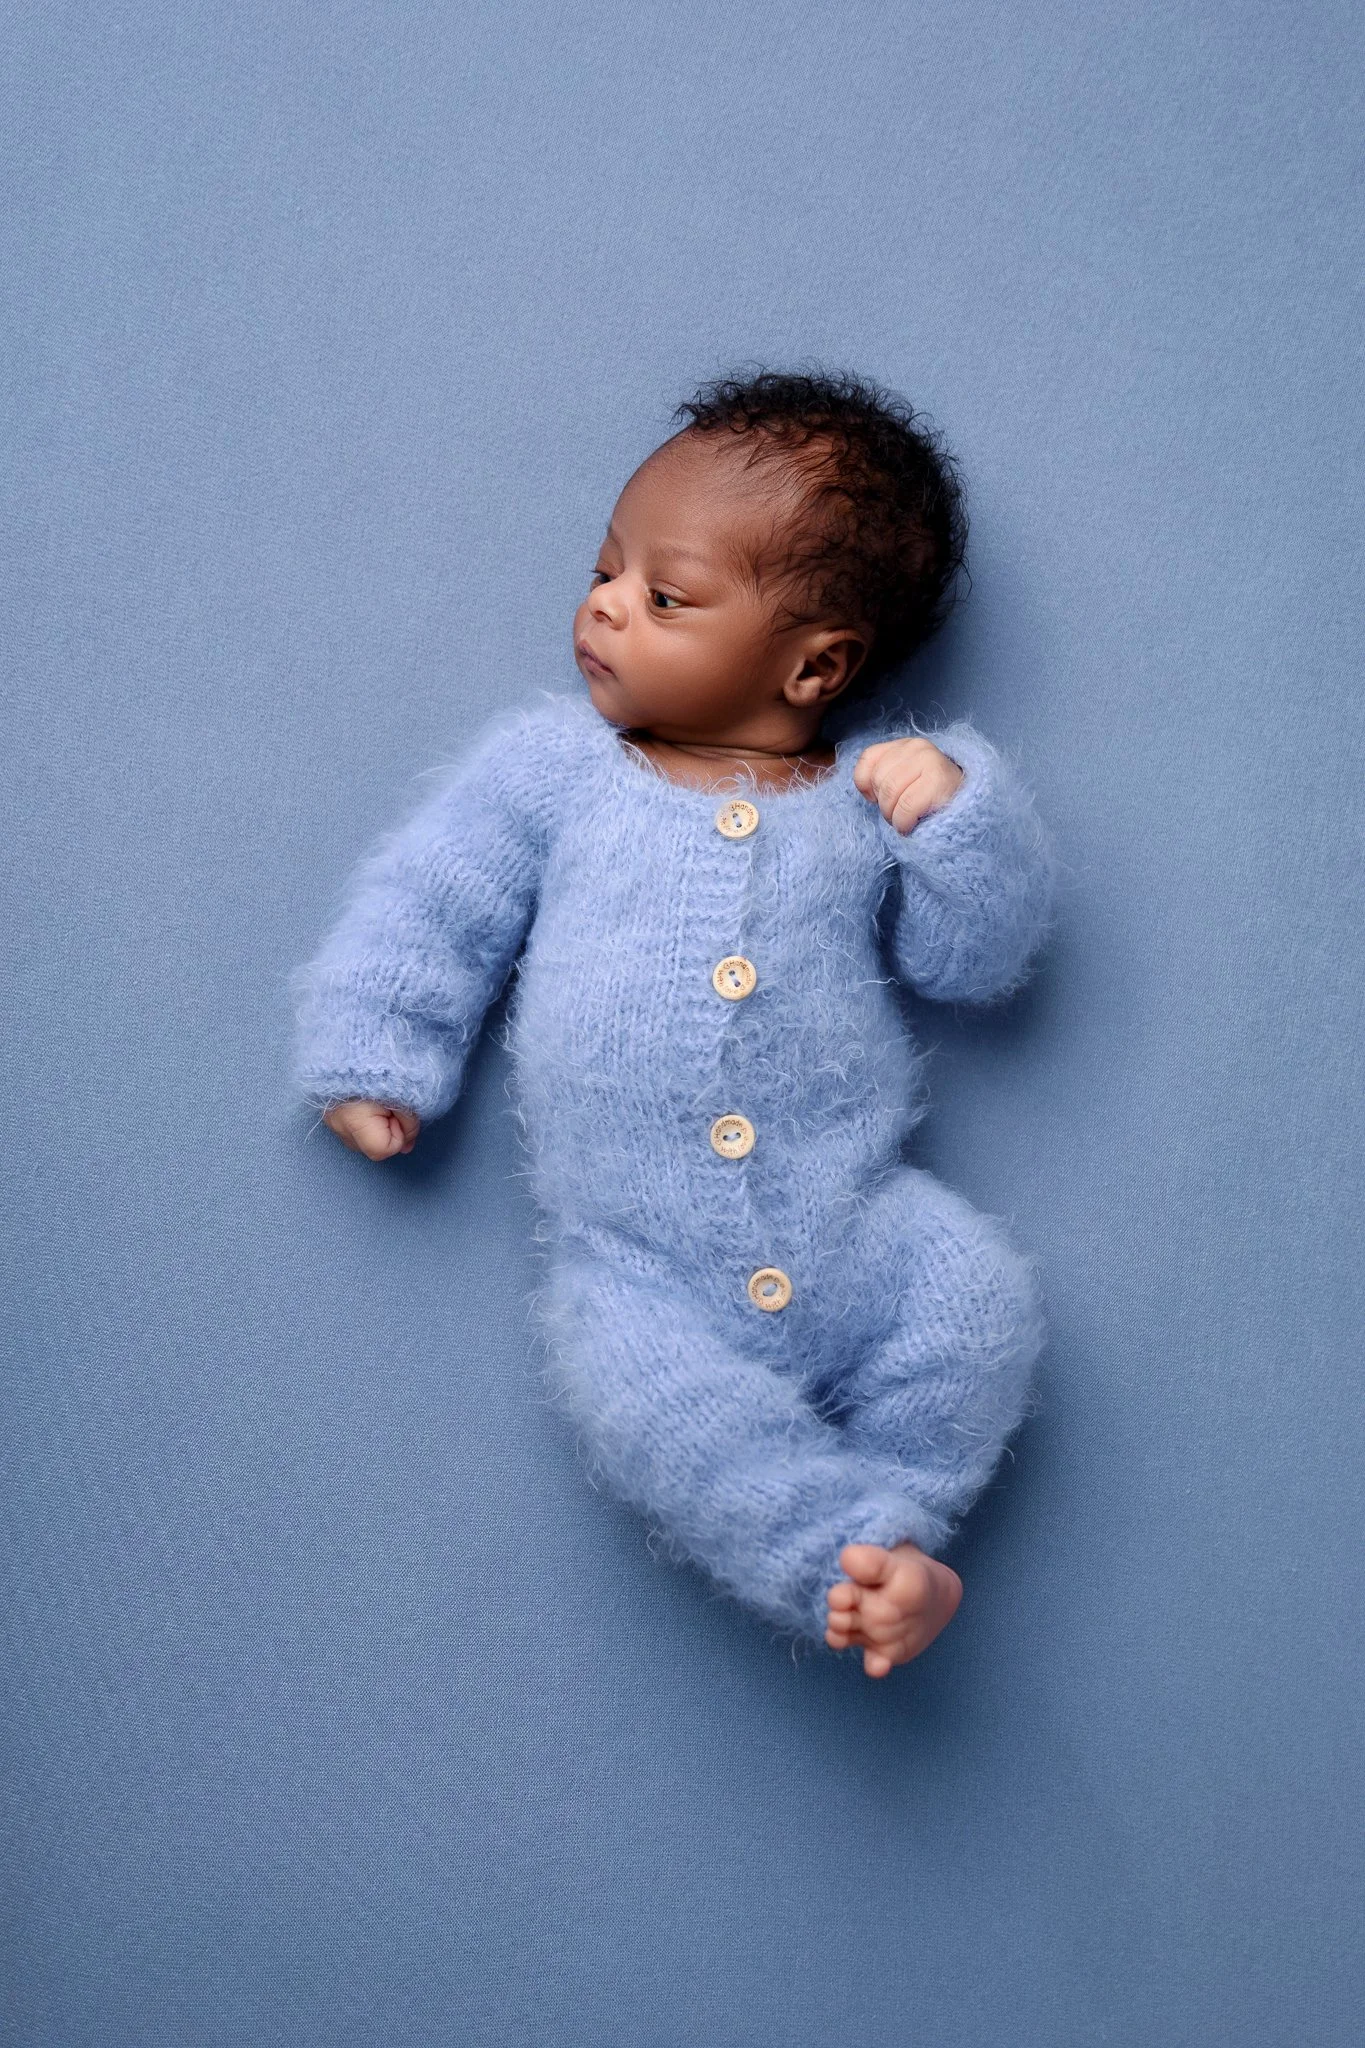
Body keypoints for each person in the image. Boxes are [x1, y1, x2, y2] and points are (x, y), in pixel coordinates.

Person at [291, 370, 1057, 1677]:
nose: (602, 607)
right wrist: (379, 1041)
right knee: (653, 1422)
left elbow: (972, 964)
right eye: (605, 568)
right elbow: (440, 896)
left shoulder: (867, 799)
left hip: (855, 1221)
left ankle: (904, 1521)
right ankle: (851, 1557)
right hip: (636, 1267)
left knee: (979, 1309)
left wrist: (958, 819)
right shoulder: (555, 771)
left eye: (664, 596)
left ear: (814, 662)